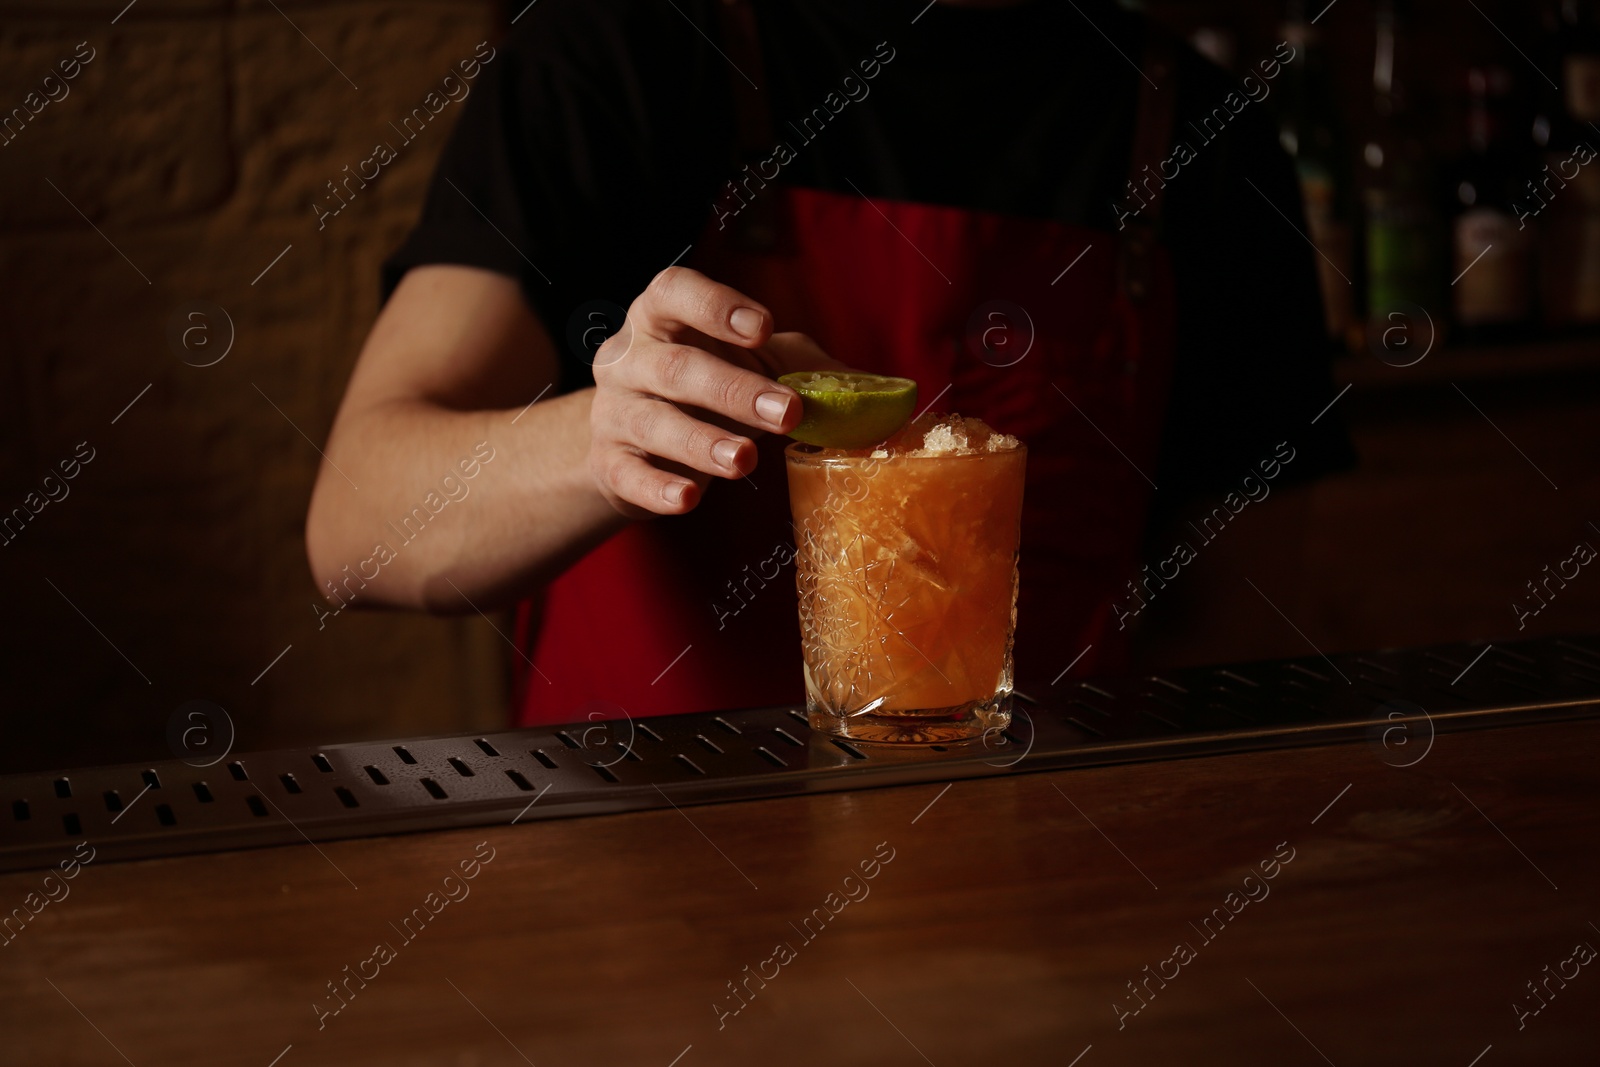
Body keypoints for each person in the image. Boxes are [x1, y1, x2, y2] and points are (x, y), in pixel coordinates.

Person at [305, 0, 1355, 727]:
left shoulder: (1209, 134)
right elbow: (354, 525)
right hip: (640, 882)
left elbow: (1238, 623)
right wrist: (600, 437)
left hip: (1041, 879)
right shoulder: (616, 53)